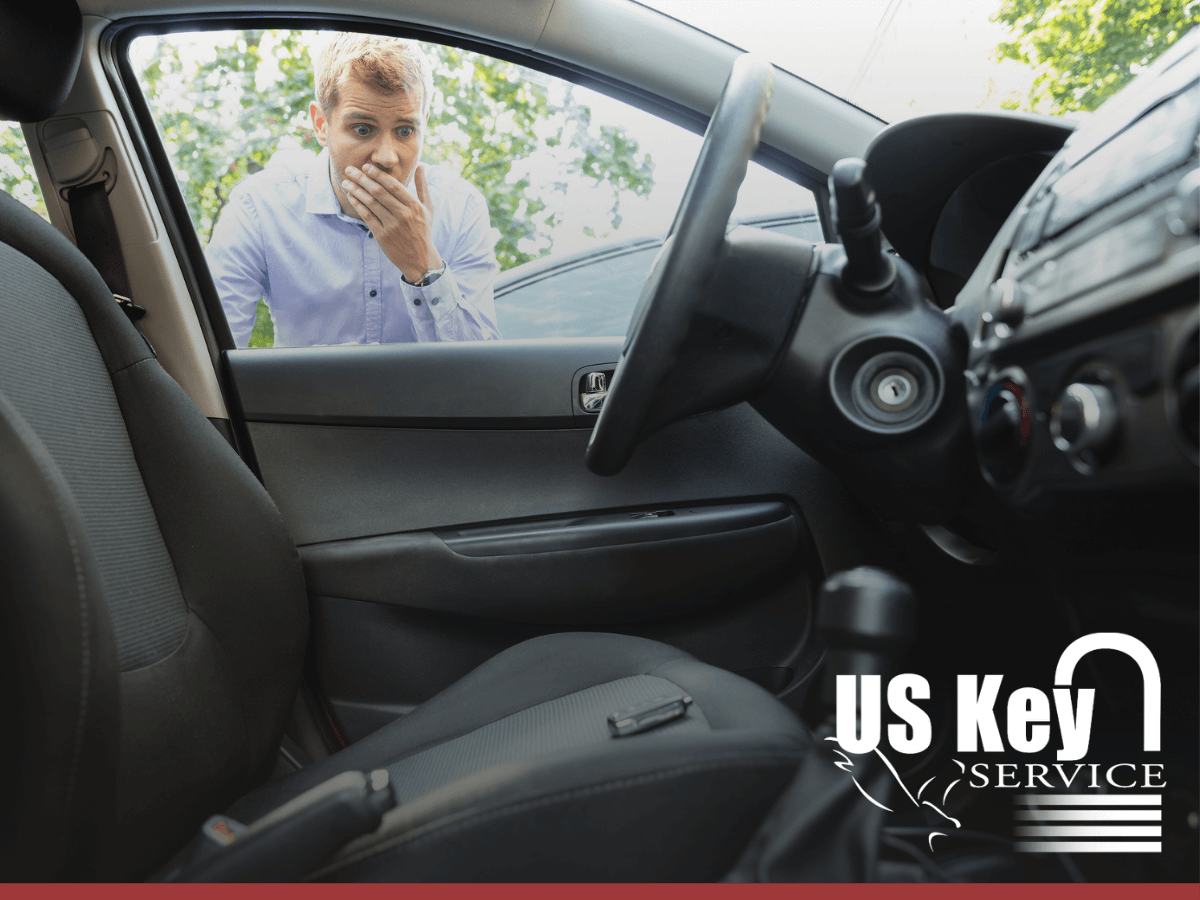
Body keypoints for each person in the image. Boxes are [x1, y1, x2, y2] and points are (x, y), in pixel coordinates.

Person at [206, 33, 501, 347]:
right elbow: (206, 359)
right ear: (321, 125)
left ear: (423, 125)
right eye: (363, 129)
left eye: (405, 130)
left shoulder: (461, 207)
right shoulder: (257, 209)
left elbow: (479, 371)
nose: (387, 157)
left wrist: (424, 267)